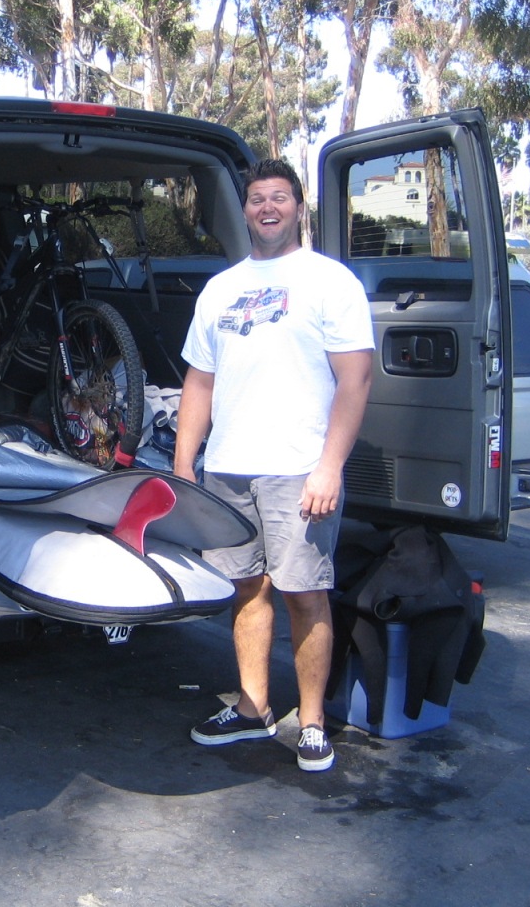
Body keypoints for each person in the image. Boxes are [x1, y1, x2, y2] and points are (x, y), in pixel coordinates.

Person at [173, 158, 374, 772]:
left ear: (298, 207)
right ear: (245, 210)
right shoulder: (220, 289)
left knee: (304, 594)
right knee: (246, 589)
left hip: (299, 470)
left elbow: (356, 380)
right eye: (257, 198)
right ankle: (253, 707)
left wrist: (329, 467)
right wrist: (184, 466)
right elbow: (199, 382)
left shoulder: (330, 281)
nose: (267, 208)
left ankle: (311, 723)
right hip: (229, 469)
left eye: (279, 197)